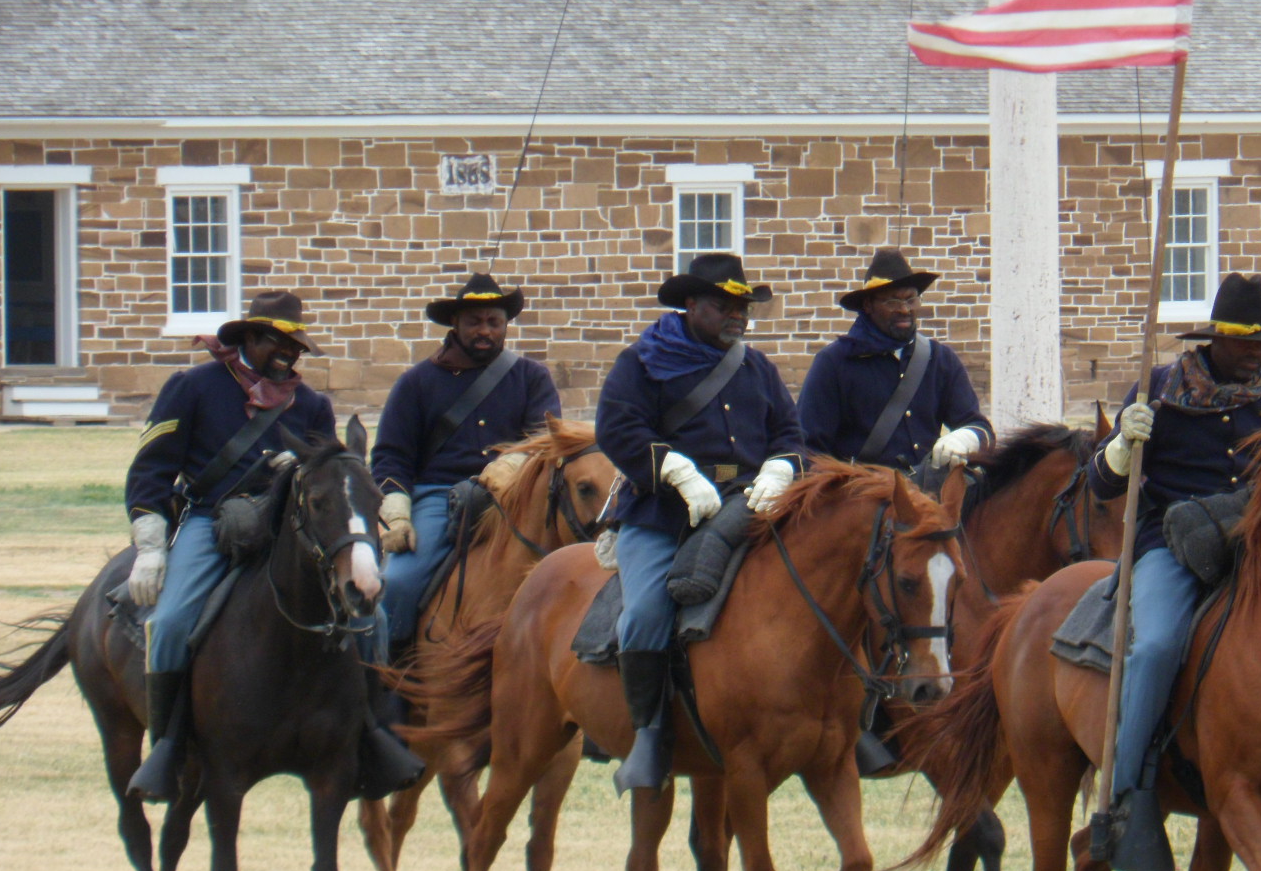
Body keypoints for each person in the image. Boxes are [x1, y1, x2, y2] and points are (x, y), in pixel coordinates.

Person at [1088, 274, 1261, 871]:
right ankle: (1126, 796)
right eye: (1245, 341)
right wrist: (1120, 447)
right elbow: (1101, 485)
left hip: (1260, 552)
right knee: (1156, 647)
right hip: (1172, 547)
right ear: (1215, 340)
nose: (1256, 352)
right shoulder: (1158, 391)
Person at [123, 292, 358, 799]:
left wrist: (293, 471)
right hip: (212, 521)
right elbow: (152, 468)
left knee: (367, 613)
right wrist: (150, 543)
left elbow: (327, 476)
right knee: (168, 623)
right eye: (278, 341)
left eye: (295, 345)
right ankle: (167, 749)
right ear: (249, 337)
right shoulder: (191, 388)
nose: (289, 353)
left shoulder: (312, 405)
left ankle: (369, 737)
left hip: (289, 529)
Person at [594, 253, 805, 794]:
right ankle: (648, 733)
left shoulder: (756, 368)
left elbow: (791, 435)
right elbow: (618, 429)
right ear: (691, 305)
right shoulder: (640, 363)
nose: (736, 316)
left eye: (742, 307)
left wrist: (782, 468)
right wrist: (676, 471)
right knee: (643, 612)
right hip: (663, 512)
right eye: (723, 306)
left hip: (748, 508)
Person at [370, 272, 561, 653]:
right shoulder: (416, 383)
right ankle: (386, 674)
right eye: (474, 322)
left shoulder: (531, 377)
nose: (485, 331)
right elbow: (391, 455)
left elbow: (545, 442)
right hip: (438, 498)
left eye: (494, 322)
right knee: (401, 583)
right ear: (455, 324)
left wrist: (508, 468)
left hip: (514, 496)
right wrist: (397, 514)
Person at [797, 247, 992, 472]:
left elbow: (979, 427)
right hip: (862, 495)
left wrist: (965, 438)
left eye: (911, 300)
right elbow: (809, 450)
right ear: (868, 305)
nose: (904, 310)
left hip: (929, 494)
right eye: (892, 302)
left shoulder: (940, 359)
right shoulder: (833, 362)